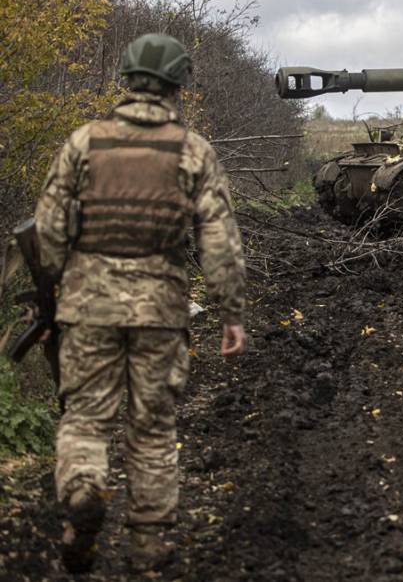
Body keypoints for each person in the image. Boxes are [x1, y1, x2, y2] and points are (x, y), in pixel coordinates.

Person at [33, 33, 248, 574]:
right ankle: (150, 555)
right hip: (160, 311)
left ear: (125, 80)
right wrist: (230, 312)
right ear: (177, 86)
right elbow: (220, 241)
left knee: (84, 421)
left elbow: (48, 230)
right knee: (152, 431)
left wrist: (58, 289)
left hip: (88, 308)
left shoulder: (84, 142)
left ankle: (83, 494)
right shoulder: (193, 150)